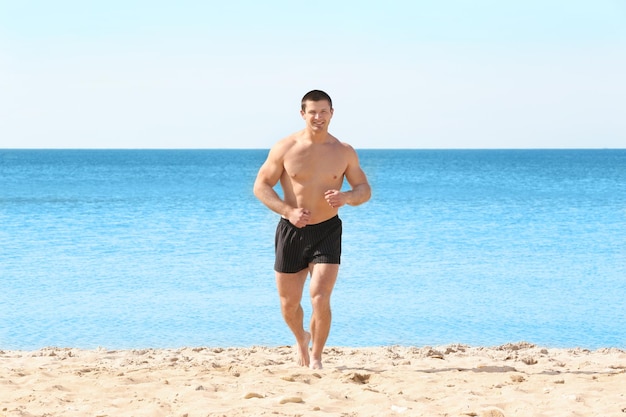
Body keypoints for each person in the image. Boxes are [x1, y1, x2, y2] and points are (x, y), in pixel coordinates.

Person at [253, 90, 371, 369]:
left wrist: (346, 198)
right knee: (288, 304)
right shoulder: (285, 148)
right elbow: (261, 186)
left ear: (332, 113)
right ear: (302, 114)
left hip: (327, 230)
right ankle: (301, 338)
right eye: (313, 112)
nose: (318, 117)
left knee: (320, 297)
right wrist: (288, 211)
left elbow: (364, 189)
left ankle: (317, 357)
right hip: (292, 231)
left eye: (324, 111)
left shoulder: (343, 151)